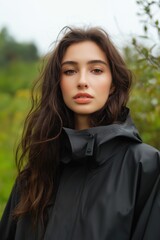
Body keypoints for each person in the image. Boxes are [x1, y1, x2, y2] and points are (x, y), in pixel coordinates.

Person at [0, 26, 160, 240]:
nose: (82, 81)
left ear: (112, 84)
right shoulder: (36, 171)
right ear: (59, 83)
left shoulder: (145, 165)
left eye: (96, 70)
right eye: (70, 71)